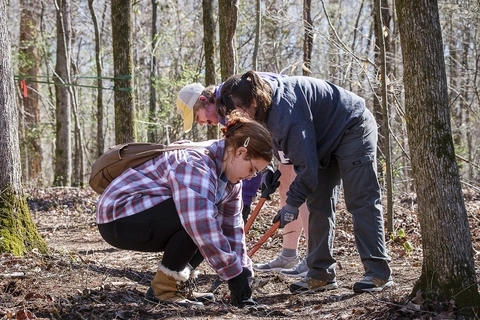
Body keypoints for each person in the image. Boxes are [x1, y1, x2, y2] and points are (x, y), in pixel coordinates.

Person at [216, 70, 393, 294]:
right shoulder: (262, 105)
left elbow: (307, 170)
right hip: (323, 140)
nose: (242, 115)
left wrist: (290, 205)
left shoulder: (285, 113)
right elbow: (274, 144)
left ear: (253, 101)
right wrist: (269, 172)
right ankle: (321, 274)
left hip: (352, 127)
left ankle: (378, 273)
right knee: (318, 203)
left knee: (361, 200)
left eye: (241, 109)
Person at [95, 111, 274, 307]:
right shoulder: (195, 162)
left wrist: (243, 271)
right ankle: (165, 291)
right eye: (252, 170)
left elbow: (232, 228)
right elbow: (199, 222)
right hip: (119, 216)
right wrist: (233, 275)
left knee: (210, 223)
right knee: (199, 219)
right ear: (240, 152)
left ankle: (177, 284)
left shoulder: (231, 183)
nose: (250, 178)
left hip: (149, 216)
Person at [177, 80, 310, 276]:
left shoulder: (231, 100)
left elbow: (256, 136)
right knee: (286, 187)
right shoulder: (224, 113)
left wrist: (248, 193)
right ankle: (289, 254)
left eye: (199, 117)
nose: (203, 123)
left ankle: (314, 257)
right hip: (277, 142)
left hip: (293, 126)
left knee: (301, 188)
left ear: (205, 100)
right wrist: (266, 171)